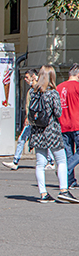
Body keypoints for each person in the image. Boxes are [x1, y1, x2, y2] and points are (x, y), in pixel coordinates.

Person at [27, 65, 78, 203]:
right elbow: (58, 113)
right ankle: (64, 190)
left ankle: (43, 194)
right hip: (52, 130)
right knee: (61, 160)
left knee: (40, 163)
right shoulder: (52, 93)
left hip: (37, 131)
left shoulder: (33, 92)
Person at [2, 69, 55, 170]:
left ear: (34, 76)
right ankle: (15, 161)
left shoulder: (41, 89)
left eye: (27, 77)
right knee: (22, 138)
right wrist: (27, 117)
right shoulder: (30, 91)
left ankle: (51, 161)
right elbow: (27, 105)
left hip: (39, 120)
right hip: (31, 120)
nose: (25, 79)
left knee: (42, 140)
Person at [59, 63, 79, 189]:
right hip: (76, 123)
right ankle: (66, 169)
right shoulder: (77, 86)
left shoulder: (59, 87)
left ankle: (70, 181)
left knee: (68, 154)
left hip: (63, 124)